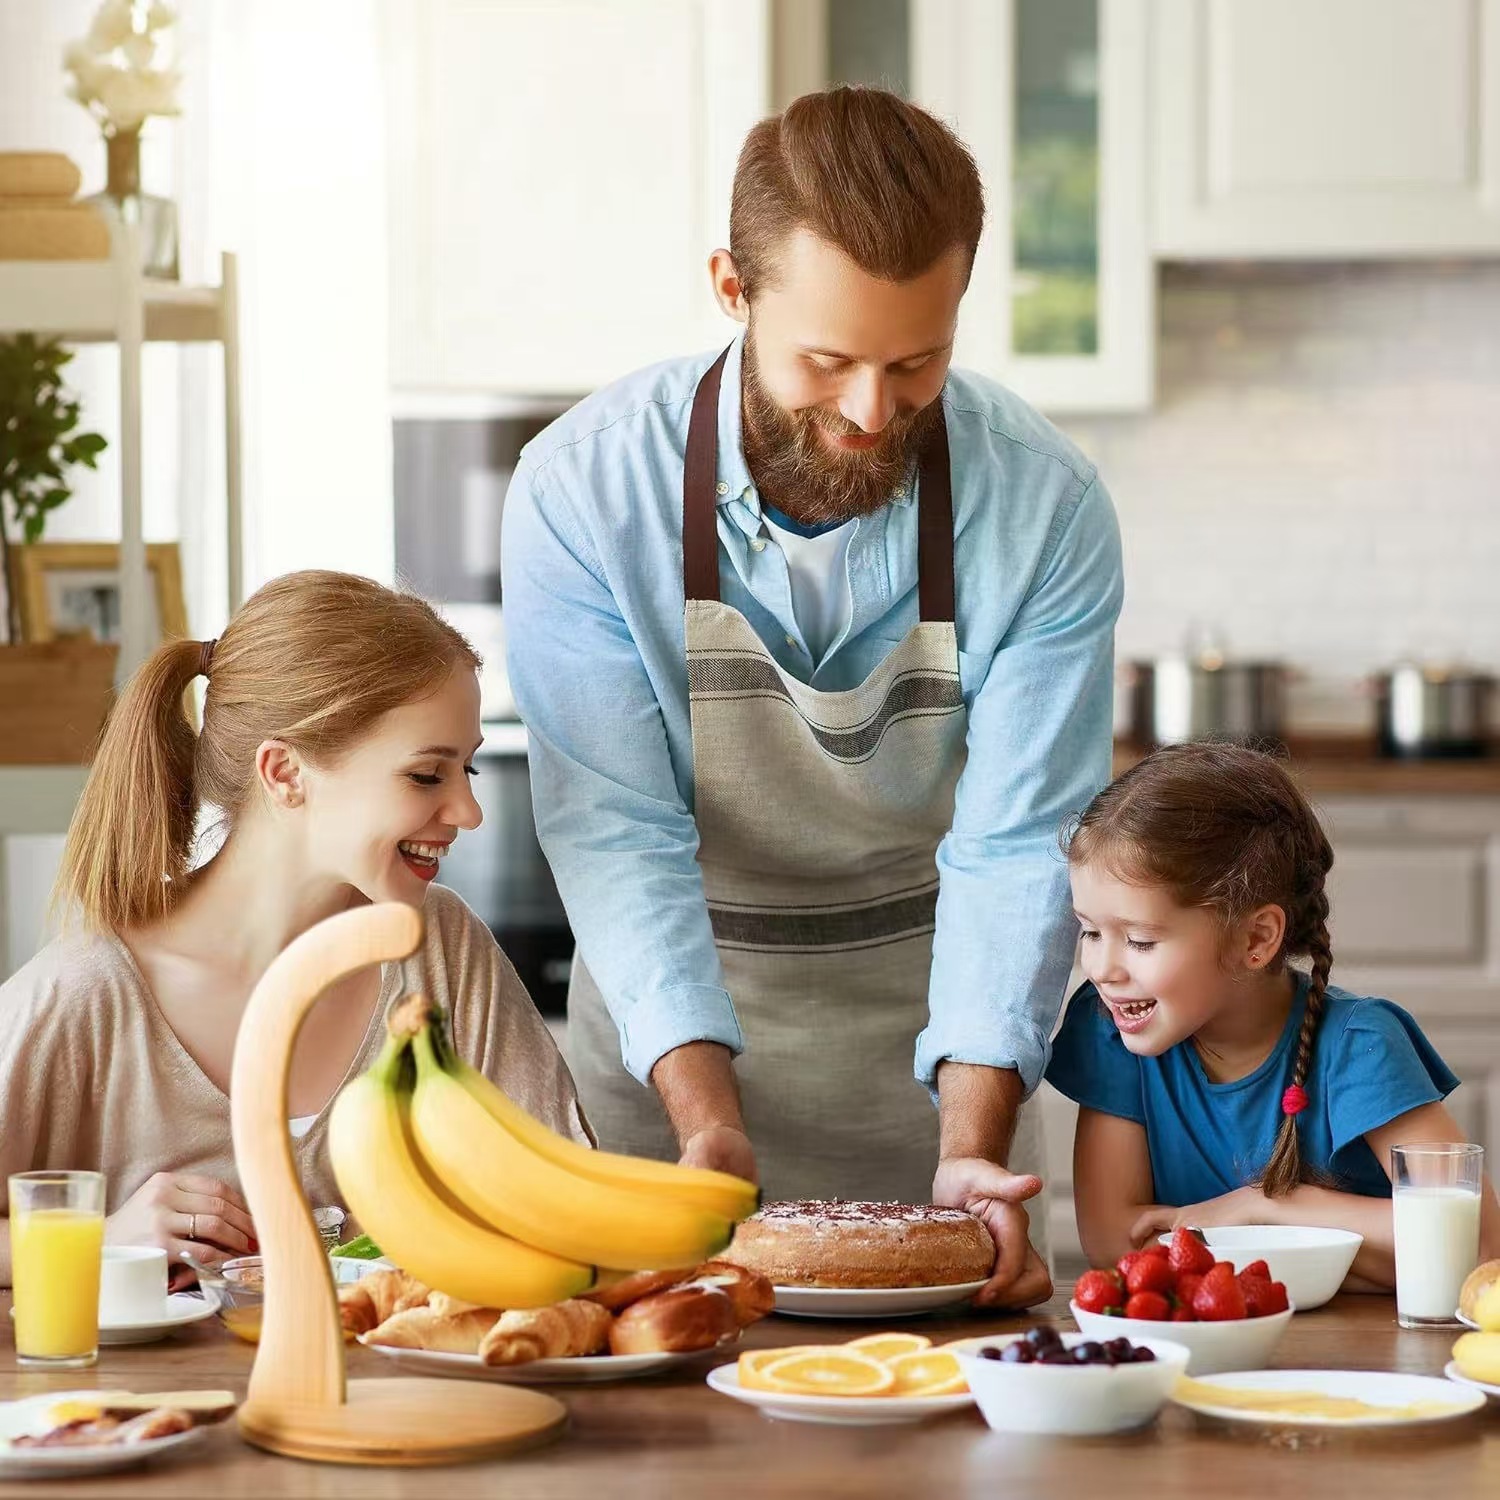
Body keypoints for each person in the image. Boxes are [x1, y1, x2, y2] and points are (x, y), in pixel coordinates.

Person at [501, 86, 1123, 1308]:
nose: (870, 411)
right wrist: (707, 1127)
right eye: (826, 361)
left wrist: (969, 1148)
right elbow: (621, 835)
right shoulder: (582, 494)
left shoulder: (1044, 504)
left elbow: (1014, 851)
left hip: (942, 1077)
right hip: (668, 1087)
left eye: (918, 361)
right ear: (733, 288)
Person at [0, 570, 588, 1286]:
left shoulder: (441, 949)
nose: (470, 812)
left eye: (465, 768)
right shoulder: (88, 992)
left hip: (413, 1398)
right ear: (285, 774)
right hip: (152, 1404)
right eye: (428, 776)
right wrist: (96, 1241)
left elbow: (568, 1200)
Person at [1047, 740, 1500, 1289]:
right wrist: (1365, 1250)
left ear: (1256, 938)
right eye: (1091, 932)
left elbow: (1473, 1246)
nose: (1101, 967)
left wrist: (1264, 1207)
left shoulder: (1363, 1045)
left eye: (1139, 941)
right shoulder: (1111, 1033)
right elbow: (1118, 1244)